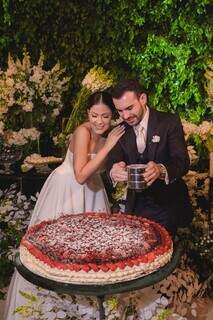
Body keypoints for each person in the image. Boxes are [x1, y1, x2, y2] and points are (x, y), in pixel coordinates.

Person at [3, 91, 125, 320]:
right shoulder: (82, 131)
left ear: (113, 116)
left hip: (93, 191)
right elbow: (80, 175)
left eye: (105, 116)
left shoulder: (112, 135)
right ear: (87, 113)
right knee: (55, 251)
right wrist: (108, 147)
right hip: (67, 189)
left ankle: (83, 308)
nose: (99, 121)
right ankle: (44, 309)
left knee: (90, 251)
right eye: (94, 115)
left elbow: (102, 170)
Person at [106, 79, 193, 237]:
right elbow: (111, 163)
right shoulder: (119, 131)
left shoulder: (169, 122)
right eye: (119, 111)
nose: (125, 115)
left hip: (168, 205)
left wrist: (160, 170)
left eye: (129, 108)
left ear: (143, 99)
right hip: (136, 207)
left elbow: (182, 162)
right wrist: (114, 171)